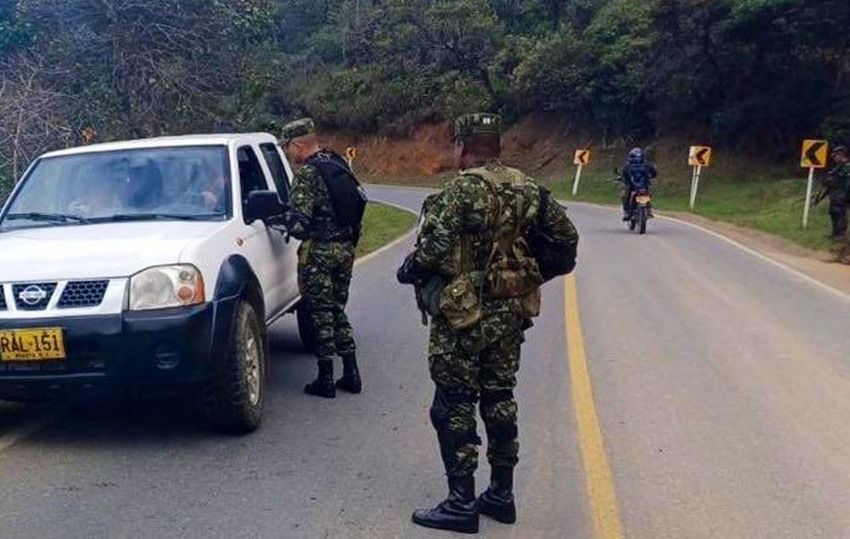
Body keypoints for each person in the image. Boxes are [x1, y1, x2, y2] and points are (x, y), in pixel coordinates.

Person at [397, 113, 578, 534]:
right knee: (499, 397)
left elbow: (434, 249)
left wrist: (409, 270)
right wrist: (527, 274)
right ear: (496, 146)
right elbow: (566, 242)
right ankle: (501, 494)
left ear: (461, 147)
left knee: (453, 405)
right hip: (510, 313)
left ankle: (461, 502)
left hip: (462, 317)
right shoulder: (528, 187)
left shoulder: (461, 192)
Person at [280, 118, 362, 399]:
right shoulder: (336, 163)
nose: (289, 154)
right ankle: (351, 372)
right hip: (346, 250)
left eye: (287, 148)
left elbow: (299, 224)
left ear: (297, 145)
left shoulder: (307, 174)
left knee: (321, 314)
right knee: (338, 309)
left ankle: (325, 377)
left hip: (321, 253)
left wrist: (286, 220)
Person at [620, 147, 657, 220]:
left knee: (625, 195)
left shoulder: (628, 165)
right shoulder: (647, 164)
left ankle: (626, 212)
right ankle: (648, 210)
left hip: (632, 185)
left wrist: (624, 179)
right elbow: (654, 173)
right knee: (646, 194)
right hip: (643, 185)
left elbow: (623, 175)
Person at [822, 145, 850, 240]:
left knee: (840, 213)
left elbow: (848, 182)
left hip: (842, 194)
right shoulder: (837, 167)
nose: (834, 158)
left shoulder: (847, 167)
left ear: (841, 155)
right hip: (834, 193)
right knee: (833, 212)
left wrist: (846, 195)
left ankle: (841, 234)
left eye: (836, 156)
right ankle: (835, 233)